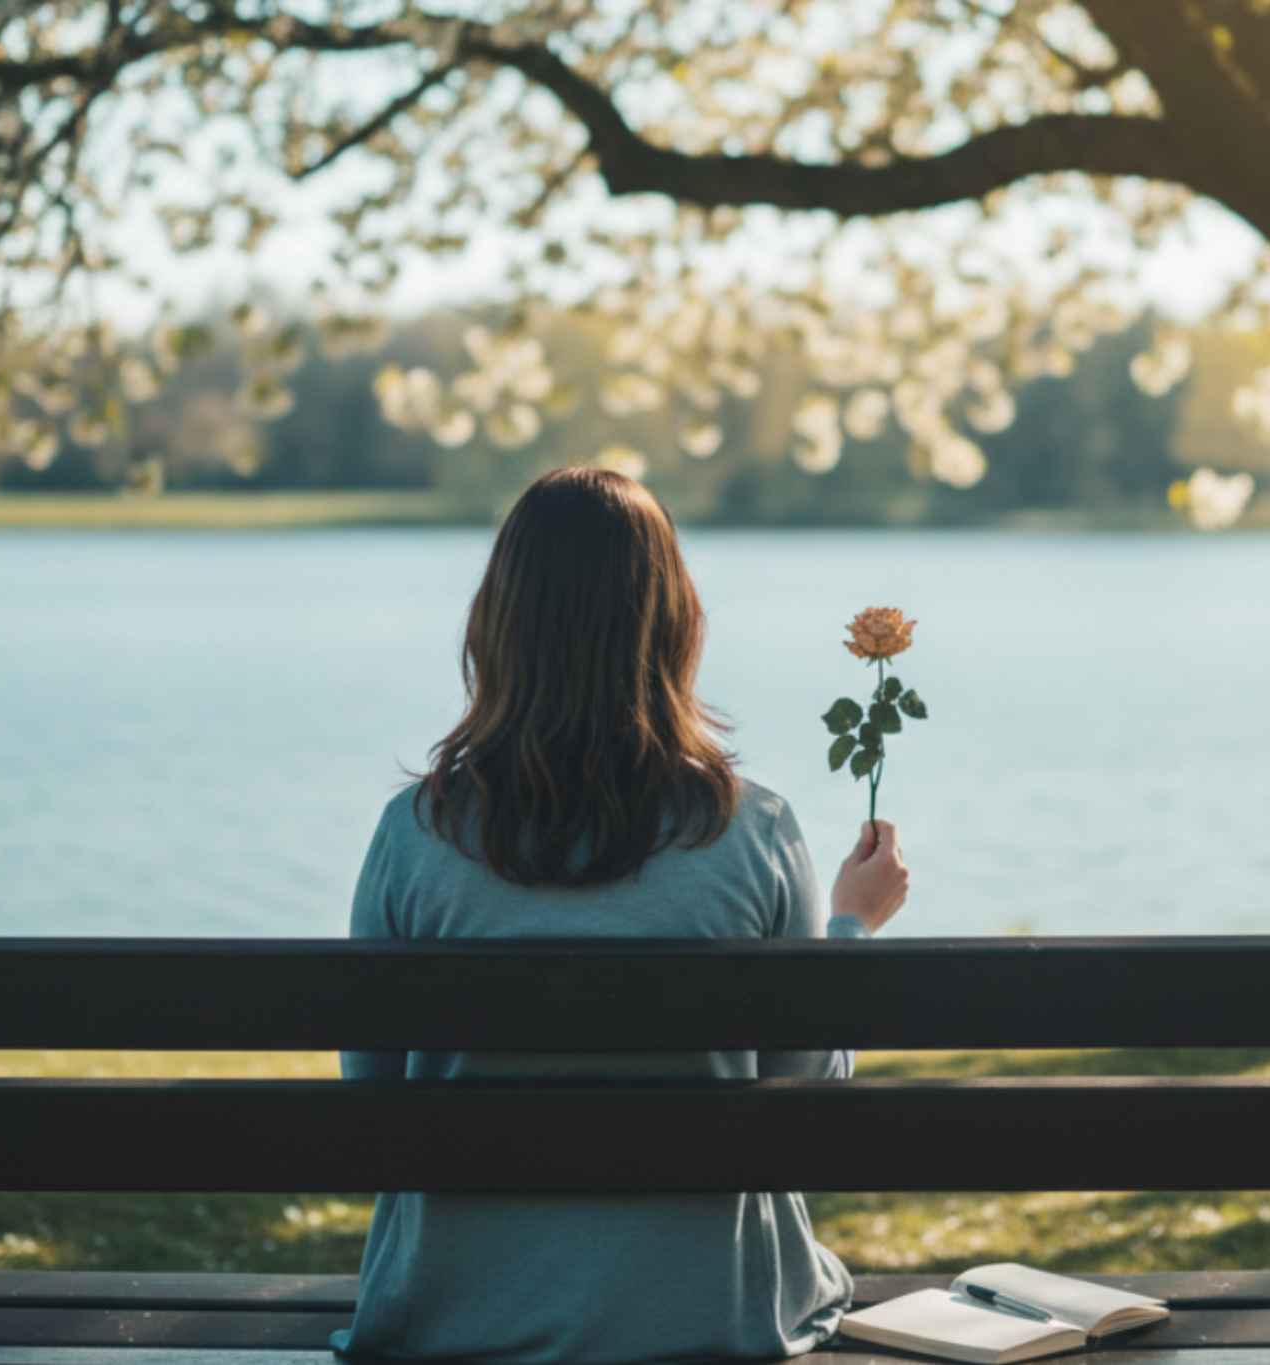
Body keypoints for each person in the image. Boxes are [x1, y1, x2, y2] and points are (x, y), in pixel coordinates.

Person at [331, 465, 910, 1363]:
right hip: (713, 1319)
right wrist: (850, 928)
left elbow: (371, 1097)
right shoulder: (751, 829)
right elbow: (805, 1107)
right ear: (673, 624)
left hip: (455, 1320)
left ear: (499, 624)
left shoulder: (415, 834)